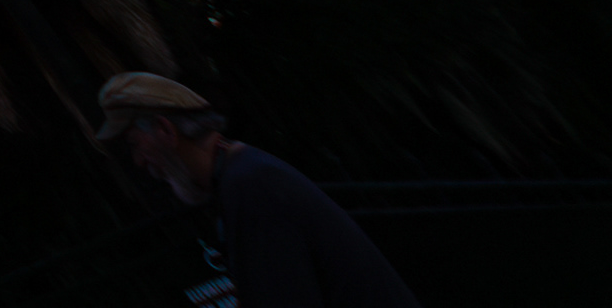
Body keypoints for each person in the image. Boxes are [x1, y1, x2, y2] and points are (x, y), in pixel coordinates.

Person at [96, 72, 419, 308]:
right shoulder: (246, 174)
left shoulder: (251, 189)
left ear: (166, 131)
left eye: (135, 144)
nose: (139, 161)